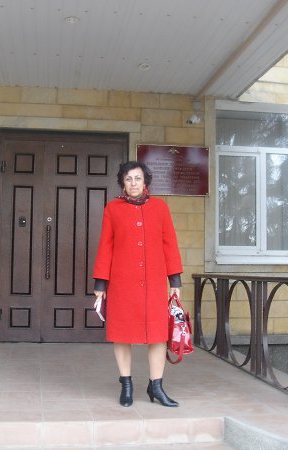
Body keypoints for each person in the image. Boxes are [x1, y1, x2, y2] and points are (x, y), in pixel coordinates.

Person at [93, 160, 183, 408]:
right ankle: (126, 384)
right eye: (128, 179)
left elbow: (169, 243)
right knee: (121, 334)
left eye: (138, 178)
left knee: (158, 335)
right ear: (122, 182)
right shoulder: (112, 209)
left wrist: (175, 280)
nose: (133, 183)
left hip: (154, 282)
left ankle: (156, 386)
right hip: (122, 283)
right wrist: (100, 284)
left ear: (145, 182)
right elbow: (105, 246)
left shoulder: (161, 208)